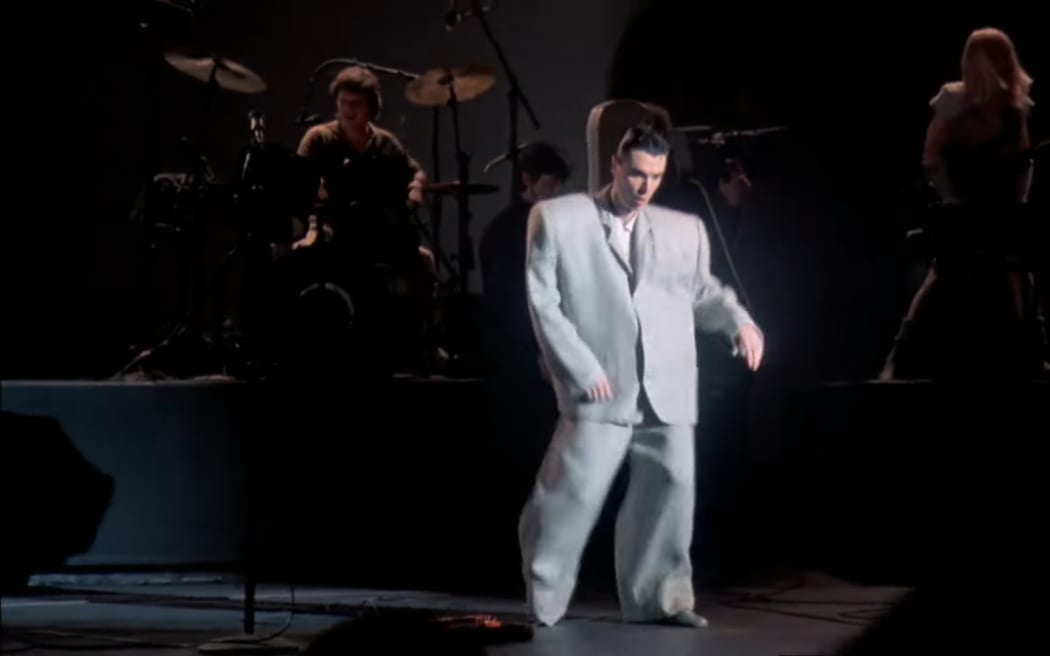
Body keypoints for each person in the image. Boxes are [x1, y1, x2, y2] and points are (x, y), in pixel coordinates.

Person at [518, 123, 764, 627]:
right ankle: (544, 595)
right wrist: (579, 365)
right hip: (600, 381)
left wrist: (738, 321)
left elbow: (702, 292)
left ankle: (660, 599)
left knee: (670, 490)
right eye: (635, 173)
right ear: (614, 165)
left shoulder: (683, 229)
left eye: (655, 175)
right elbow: (544, 302)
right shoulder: (558, 219)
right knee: (571, 493)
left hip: (666, 383)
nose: (644, 186)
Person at [879, 27, 1046, 380]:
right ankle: (901, 362)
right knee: (943, 280)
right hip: (962, 211)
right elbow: (931, 156)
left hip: (1001, 211)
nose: (1002, 63)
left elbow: (1023, 164)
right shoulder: (954, 101)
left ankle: (1027, 360)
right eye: (994, 56)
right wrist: (952, 196)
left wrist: (1016, 204)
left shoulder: (1016, 107)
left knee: (1016, 277)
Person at [287, 65, 436, 373]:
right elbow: (295, 183)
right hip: (330, 232)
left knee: (425, 261)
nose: (348, 110)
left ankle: (422, 345)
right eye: (343, 103)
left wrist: (416, 189)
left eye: (356, 104)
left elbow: (414, 172)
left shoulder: (384, 143)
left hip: (377, 236)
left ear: (372, 107)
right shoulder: (320, 138)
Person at [479, 141, 571, 383]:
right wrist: (538, 353)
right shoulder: (512, 232)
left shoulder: (526, 225)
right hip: (519, 353)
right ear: (528, 180)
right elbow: (514, 299)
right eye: (551, 183)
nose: (557, 191)